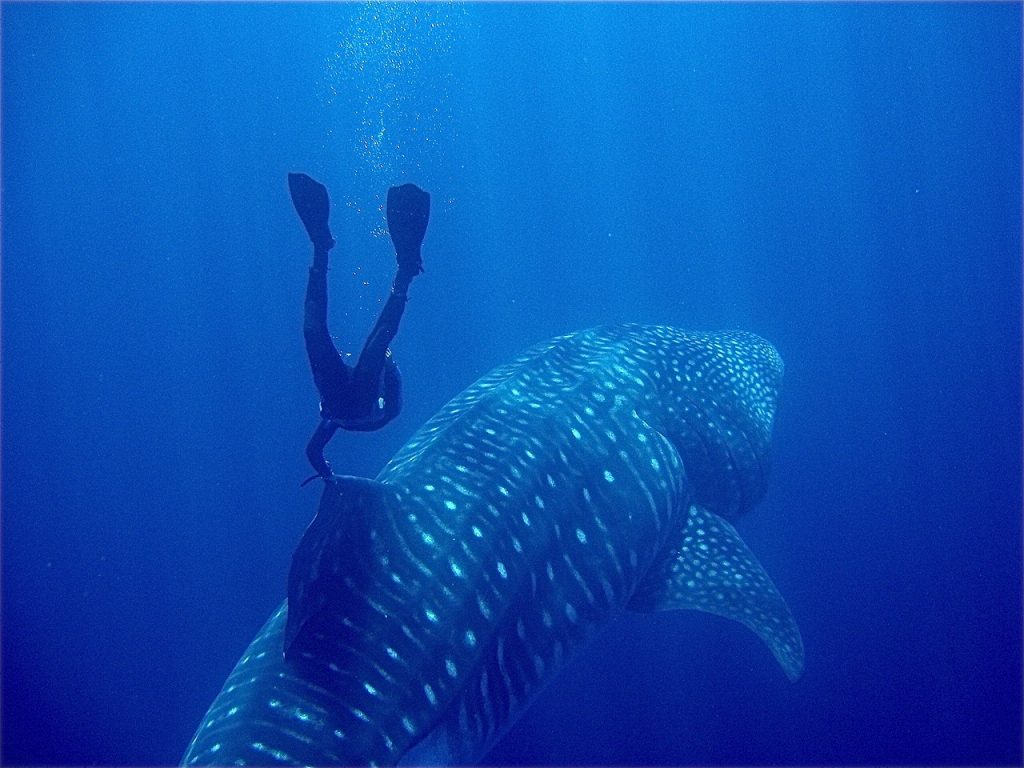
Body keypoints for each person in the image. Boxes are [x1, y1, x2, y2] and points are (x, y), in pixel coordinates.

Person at [288, 173, 430, 483]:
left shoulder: (333, 417)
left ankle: (321, 249)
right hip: (365, 405)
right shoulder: (381, 409)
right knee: (378, 339)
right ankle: (405, 272)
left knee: (314, 329)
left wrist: (330, 478)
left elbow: (313, 451)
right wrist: (389, 367)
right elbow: (393, 400)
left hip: (343, 405)